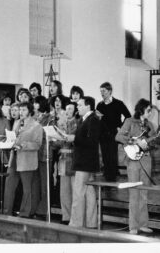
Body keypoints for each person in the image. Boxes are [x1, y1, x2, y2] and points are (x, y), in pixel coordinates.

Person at [115, 98, 155, 234]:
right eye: (148, 110)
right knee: (134, 192)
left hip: (146, 160)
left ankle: (143, 223)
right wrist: (134, 140)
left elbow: (154, 143)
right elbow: (118, 137)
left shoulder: (150, 125)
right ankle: (133, 226)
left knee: (144, 192)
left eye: (151, 110)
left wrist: (151, 143)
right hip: (133, 161)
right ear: (141, 110)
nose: (150, 113)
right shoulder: (129, 122)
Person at [5, 102, 43, 218]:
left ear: (30, 111)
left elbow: (37, 144)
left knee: (27, 188)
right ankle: (6, 211)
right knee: (9, 185)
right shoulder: (17, 123)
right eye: (20, 110)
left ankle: (24, 213)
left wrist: (23, 145)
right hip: (14, 157)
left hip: (26, 160)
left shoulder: (36, 126)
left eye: (24, 110)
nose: (21, 112)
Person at [68, 96, 100, 228]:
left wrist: (73, 138)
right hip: (86, 161)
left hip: (85, 162)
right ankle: (90, 223)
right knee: (89, 193)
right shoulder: (85, 119)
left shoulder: (93, 119)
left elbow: (92, 141)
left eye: (80, 105)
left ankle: (76, 223)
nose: (77, 107)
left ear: (88, 106)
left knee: (78, 193)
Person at [96, 82, 131, 181]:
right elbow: (98, 120)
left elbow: (128, 116)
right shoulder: (100, 105)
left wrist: (121, 127)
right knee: (105, 157)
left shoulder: (118, 103)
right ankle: (107, 179)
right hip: (103, 135)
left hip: (113, 134)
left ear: (110, 91)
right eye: (101, 91)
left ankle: (112, 179)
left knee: (112, 156)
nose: (102, 93)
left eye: (104, 91)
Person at [58, 102, 79, 224]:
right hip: (63, 158)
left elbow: (76, 139)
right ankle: (65, 215)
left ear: (75, 110)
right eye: (66, 108)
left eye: (70, 108)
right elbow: (57, 144)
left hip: (74, 157)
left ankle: (74, 216)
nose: (67, 111)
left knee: (74, 189)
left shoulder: (78, 123)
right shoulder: (61, 123)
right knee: (64, 190)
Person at [33, 95, 52, 219]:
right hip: (35, 153)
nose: (34, 105)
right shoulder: (34, 117)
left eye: (36, 103)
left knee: (45, 183)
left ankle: (44, 209)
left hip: (45, 152)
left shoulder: (49, 117)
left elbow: (47, 133)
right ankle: (35, 207)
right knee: (36, 183)